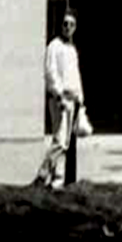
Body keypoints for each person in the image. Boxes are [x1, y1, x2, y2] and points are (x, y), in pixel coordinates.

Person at [35, 10, 86, 187]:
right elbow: (51, 72)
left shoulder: (72, 49)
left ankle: (58, 177)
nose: (68, 28)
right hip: (60, 99)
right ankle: (42, 174)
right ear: (61, 26)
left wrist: (80, 97)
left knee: (65, 141)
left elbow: (75, 75)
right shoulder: (54, 46)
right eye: (65, 24)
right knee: (60, 140)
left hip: (73, 99)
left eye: (72, 24)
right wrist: (58, 95)